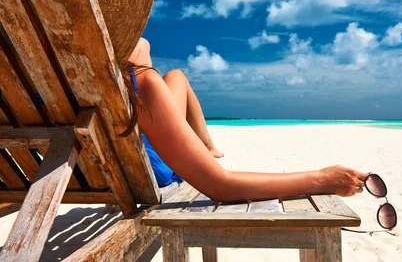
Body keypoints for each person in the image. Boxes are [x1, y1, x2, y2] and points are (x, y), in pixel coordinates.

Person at [123, 37, 367, 202]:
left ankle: (208, 147)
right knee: (151, 58)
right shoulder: (142, 84)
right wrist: (322, 179)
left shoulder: (90, 86)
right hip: (146, 169)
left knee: (175, 75)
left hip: (100, 162)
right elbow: (221, 186)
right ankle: (205, 148)